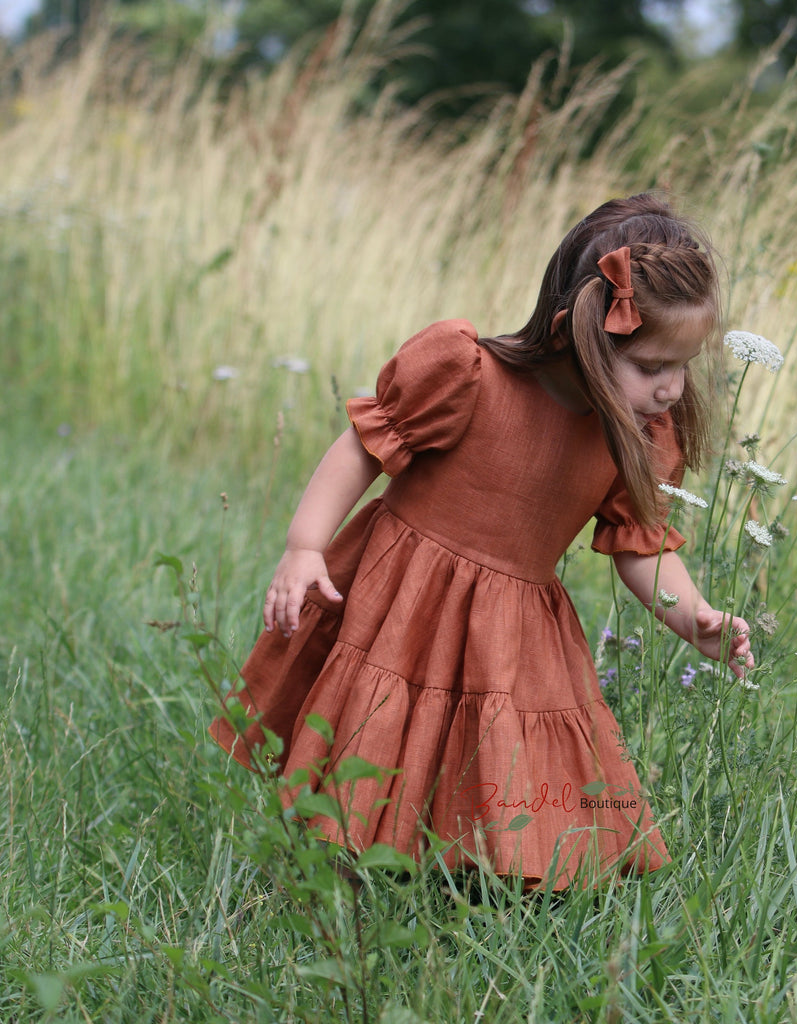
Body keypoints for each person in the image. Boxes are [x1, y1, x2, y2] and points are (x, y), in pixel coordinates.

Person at [210, 193, 754, 889]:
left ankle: (468, 874)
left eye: (684, 365)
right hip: (400, 597)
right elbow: (363, 448)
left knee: (487, 750)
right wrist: (305, 545)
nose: (673, 389)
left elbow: (640, 547)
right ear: (586, 330)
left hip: (512, 629)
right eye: (652, 367)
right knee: (378, 722)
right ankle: (341, 868)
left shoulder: (638, 438)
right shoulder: (466, 374)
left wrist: (694, 617)